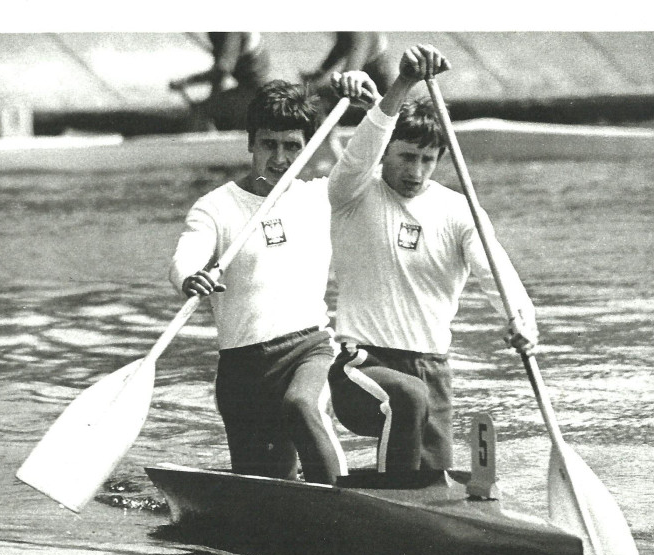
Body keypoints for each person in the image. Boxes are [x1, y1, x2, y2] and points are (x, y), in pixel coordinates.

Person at [326, 44, 539, 477]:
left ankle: (385, 489)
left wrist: (521, 322)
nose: (416, 172)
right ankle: (389, 494)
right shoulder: (352, 193)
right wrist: (403, 82)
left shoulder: (461, 210)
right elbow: (362, 149)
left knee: (430, 477)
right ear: (386, 151)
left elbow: (496, 273)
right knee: (408, 400)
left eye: (427, 160)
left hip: (432, 368)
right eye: (406, 156)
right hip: (362, 366)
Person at [168, 75, 376, 485]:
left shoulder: (322, 196)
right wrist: (190, 277)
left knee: (302, 405)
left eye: (292, 146)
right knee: (272, 486)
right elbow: (186, 256)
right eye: (269, 145)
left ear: (308, 147)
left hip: (309, 351)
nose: (280, 158)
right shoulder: (216, 207)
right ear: (251, 143)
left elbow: (366, 155)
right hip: (242, 372)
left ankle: (341, 500)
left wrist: (376, 104)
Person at [170, 33, 272, 131]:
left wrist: (185, 81)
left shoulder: (230, 33)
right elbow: (218, 79)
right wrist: (211, 100)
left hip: (254, 96)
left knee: (201, 111)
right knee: (207, 108)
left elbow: (222, 70)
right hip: (251, 92)